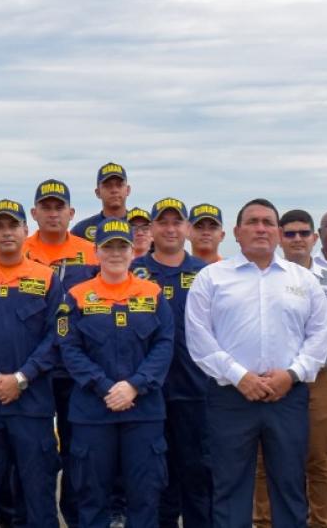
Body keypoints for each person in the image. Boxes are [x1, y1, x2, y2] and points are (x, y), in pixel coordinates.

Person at [185, 199, 327, 528]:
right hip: (230, 398)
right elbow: (198, 337)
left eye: (268, 222)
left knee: (290, 486)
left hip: (288, 397)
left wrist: (292, 375)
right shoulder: (211, 278)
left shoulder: (304, 280)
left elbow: (320, 335)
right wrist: (240, 376)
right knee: (230, 487)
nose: (261, 228)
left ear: (279, 233)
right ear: (236, 233)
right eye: (252, 222)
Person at [59, 219, 173, 528]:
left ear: (132, 252)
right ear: (96, 252)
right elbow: (69, 349)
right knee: (92, 498)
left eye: (121, 246)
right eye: (108, 247)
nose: (115, 253)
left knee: (145, 496)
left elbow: (164, 345)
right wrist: (105, 387)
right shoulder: (77, 295)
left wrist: (135, 386)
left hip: (143, 412)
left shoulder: (153, 294)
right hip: (93, 412)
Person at [0, 198, 63, 528]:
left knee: (38, 494)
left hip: (31, 405)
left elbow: (57, 337)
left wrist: (20, 378)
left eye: (13, 225)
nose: (6, 233)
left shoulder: (47, 279)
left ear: (25, 230)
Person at [134, 197, 212, 528]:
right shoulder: (134, 273)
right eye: (162, 222)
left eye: (176, 222)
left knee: (198, 475)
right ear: (151, 228)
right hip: (149, 394)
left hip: (197, 392)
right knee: (154, 477)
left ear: (187, 229)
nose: (169, 229)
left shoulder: (206, 274)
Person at [25, 179, 98, 525]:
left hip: (76, 369)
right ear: (34, 212)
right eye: (47, 207)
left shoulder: (91, 252)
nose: (53, 213)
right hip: (33, 368)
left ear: (71, 213)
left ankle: (75, 516)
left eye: (60, 207)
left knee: (78, 449)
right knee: (34, 451)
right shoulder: (18, 249)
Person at [279, 208, 327, 528]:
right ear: (280, 238)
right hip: (274, 378)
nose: (297, 239)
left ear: (314, 238)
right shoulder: (265, 274)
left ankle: (321, 522)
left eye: (303, 233)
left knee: (319, 458)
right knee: (269, 460)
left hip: (318, 376)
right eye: (289, 233)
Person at [72, 162, 130, 240]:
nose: (114, 190)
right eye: (108, 186)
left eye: (119, 185)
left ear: (128, 190)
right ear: (98, 192)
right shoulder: (81, 231)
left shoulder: (142, 227)